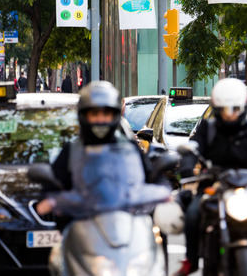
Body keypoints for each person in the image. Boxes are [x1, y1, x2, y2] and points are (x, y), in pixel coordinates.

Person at [177, 78, 247, 276]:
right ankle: (191, 261)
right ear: (217, 108)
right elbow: (193, 149)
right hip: (214, 185)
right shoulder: (207, 129)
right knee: (193, 215)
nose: (230, 114)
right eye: (225, 110)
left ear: (243, 108)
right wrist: (186, 165)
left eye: (235, 109)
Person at [35, 81, 170, 218]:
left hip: (126, 225)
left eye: (106, 114)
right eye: (94, 114)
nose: (100, 120)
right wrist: (49, 201)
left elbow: (150, 177)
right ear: (84, 116)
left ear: (115, 115)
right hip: (82, 229)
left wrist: (164, 189)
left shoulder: (129, 147)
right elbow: (51, 188)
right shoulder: (71, 150)